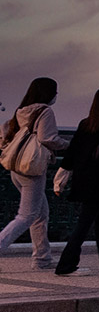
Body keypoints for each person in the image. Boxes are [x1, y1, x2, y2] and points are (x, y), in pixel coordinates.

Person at [53, 87, 99, 275]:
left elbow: (72, 152)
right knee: (84, 224)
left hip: (82, 178)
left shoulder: (86, 124)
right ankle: (66, 265)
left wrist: (61, 176)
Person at [0, 77, 70, 270]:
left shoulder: (21, 111)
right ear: (48, 93)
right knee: (26, 216)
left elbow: (6, 135)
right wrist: (69, 145)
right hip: (31, 170)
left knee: (40, 214)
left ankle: (42, 259)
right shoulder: (45, 111)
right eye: (55, 91)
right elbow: (47, 138)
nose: (56, 95)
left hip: (16, 169)